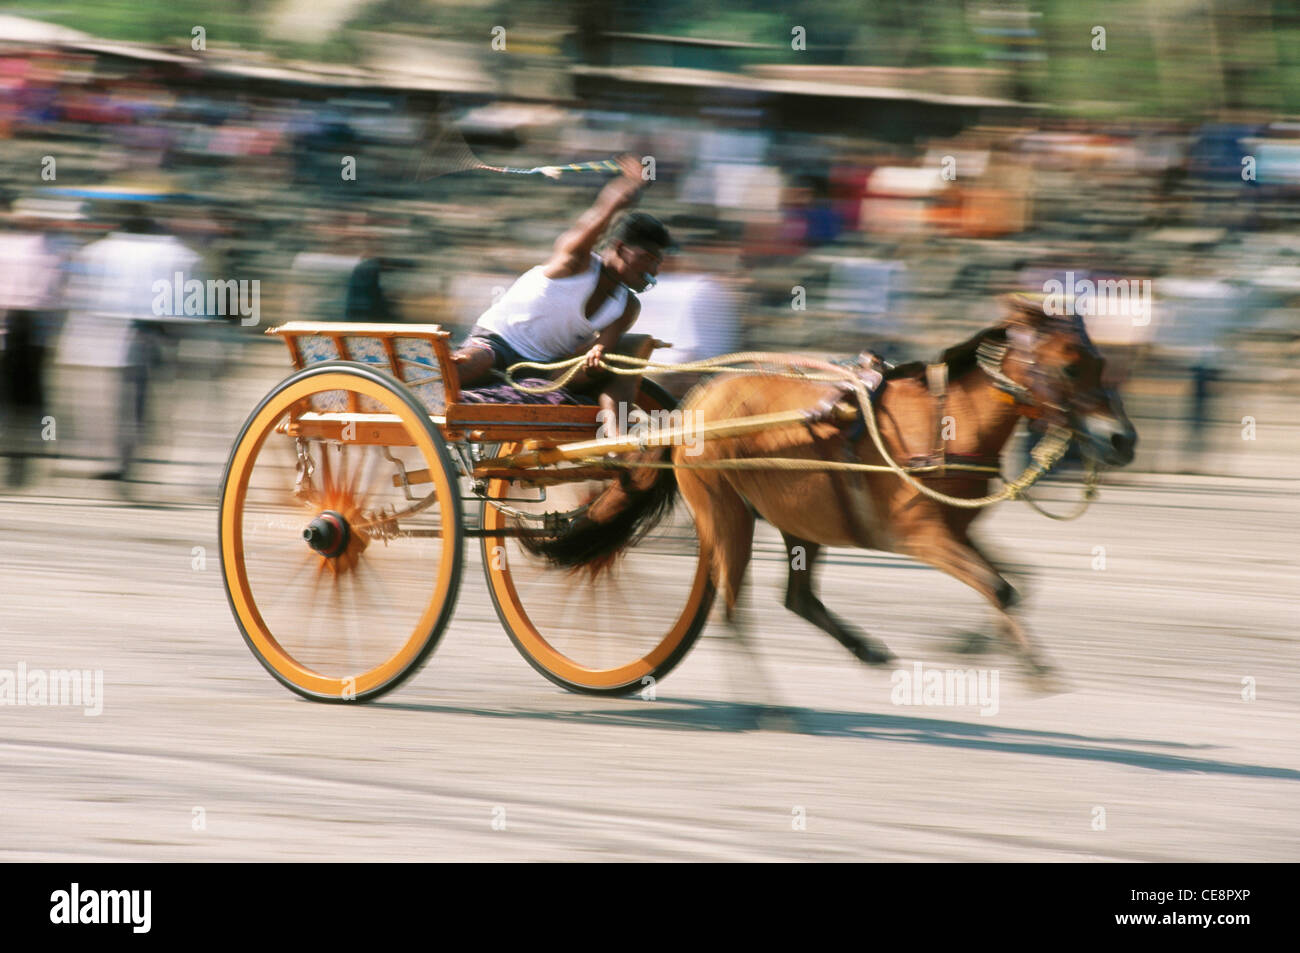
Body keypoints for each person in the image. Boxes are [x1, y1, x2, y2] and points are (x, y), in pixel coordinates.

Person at [452, 154, 669, 436]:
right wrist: (633, 186)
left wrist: (594, 359)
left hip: (543, 369)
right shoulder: (574, 261)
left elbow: (599, 349)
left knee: (604, 370)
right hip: (497, 342)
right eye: (646, 258)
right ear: (619, 248)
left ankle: (617, 440)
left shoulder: (627, 307)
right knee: (475, 363)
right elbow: (602, 214)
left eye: (657, 263)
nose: (652, 269)